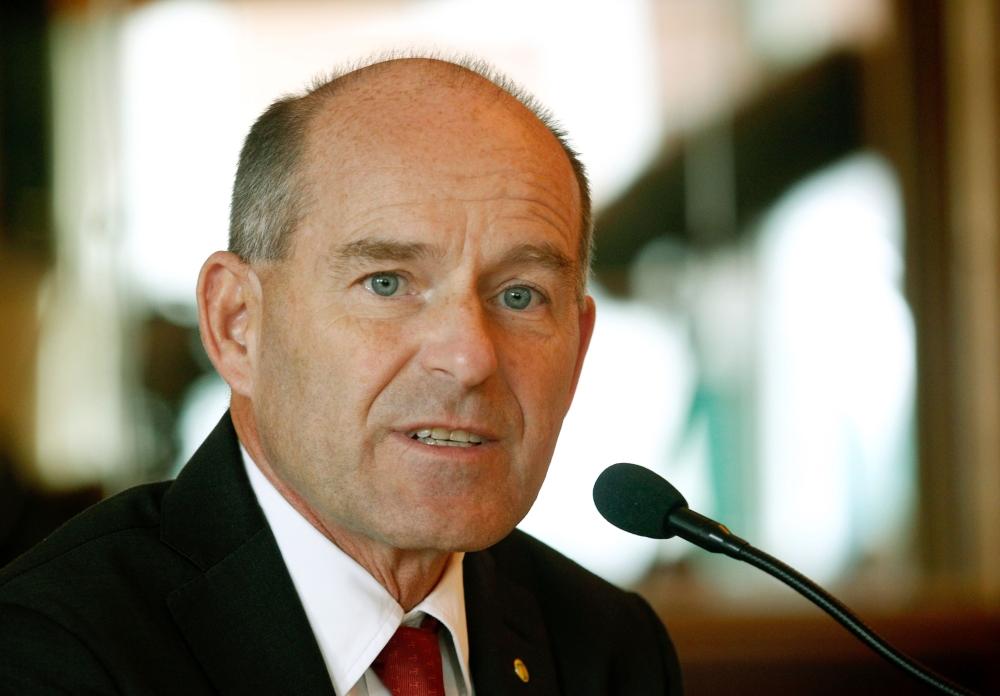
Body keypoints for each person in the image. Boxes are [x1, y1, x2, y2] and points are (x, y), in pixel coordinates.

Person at [0, 56, 683, 695]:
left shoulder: (612, 648)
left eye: (520, 296)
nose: (471, 358)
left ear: (580, 346)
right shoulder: (51, 649)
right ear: (238, 324)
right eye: (387, 283)